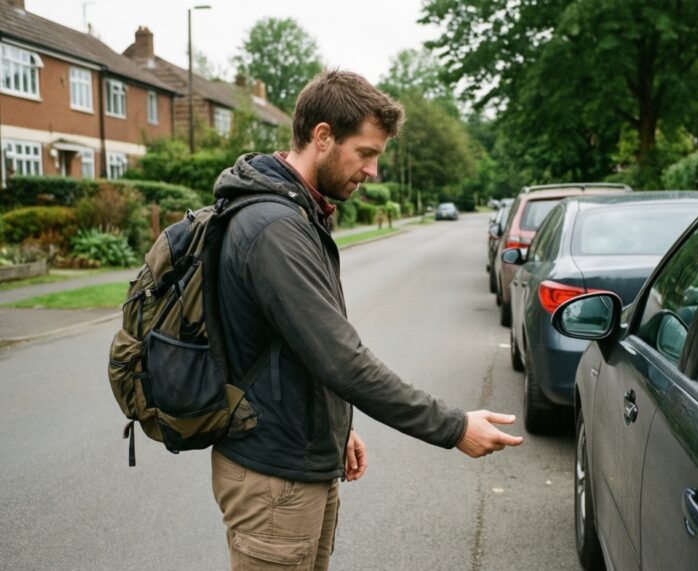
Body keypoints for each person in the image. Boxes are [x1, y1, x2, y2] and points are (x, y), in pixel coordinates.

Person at [209, 70, 524, 570]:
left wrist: (334, 427)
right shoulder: (274, 228)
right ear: (323, 136)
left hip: (301, 458)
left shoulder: (299, 213)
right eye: (366, 153)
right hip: (273, 478)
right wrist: (454, 427)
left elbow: (299, 348)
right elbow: (342, 360)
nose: (374, 170)